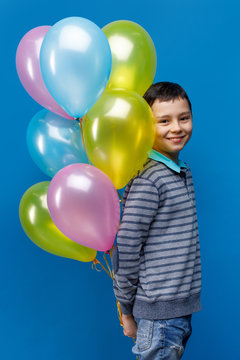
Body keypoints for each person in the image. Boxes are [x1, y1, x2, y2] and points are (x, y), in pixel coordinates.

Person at [111, 82, 202, 359]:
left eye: (183, 118)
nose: (176, 128)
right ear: (144, 127)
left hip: (178, 310)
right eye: (163, 121)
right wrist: (126, 310)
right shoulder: (150, 179)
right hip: (159, 316)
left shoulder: (180, 171)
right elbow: (126, 246)